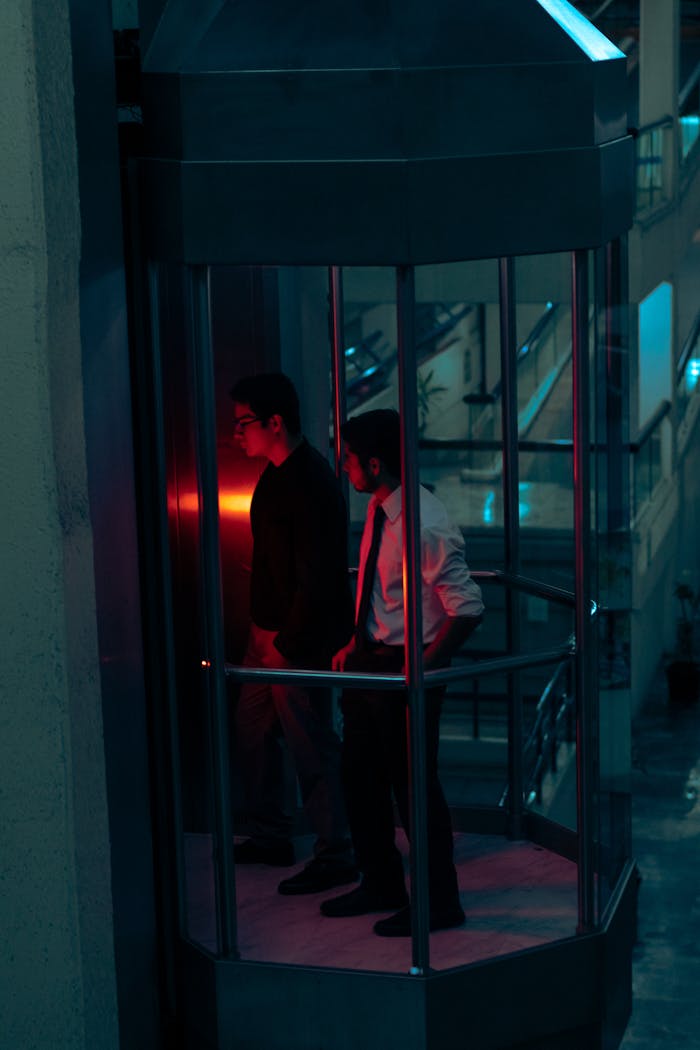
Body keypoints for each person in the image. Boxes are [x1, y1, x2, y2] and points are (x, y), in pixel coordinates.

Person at [321, 408, 484, 936]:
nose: (343, 466)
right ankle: (382, 882)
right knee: (360, 777)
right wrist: (357, 639)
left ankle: (439, 904)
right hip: (373, 661)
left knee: (414, 789)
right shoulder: (379, 507)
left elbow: (467, 607)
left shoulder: (423, 522)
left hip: (404, 668)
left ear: (375, 463)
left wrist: (425, 661)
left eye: (349, 458)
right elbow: (380, 588)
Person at [230, 372, 356, 895]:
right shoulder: (278, 474)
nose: (237, 433)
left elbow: (319, 577)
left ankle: (336, 852)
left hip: (290, 642)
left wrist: (285, 643)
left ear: (275, 422)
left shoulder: (310, 483)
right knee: (253, 731)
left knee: (310, 744)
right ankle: (271, 834)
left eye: (244, 423)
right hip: (268, 635)